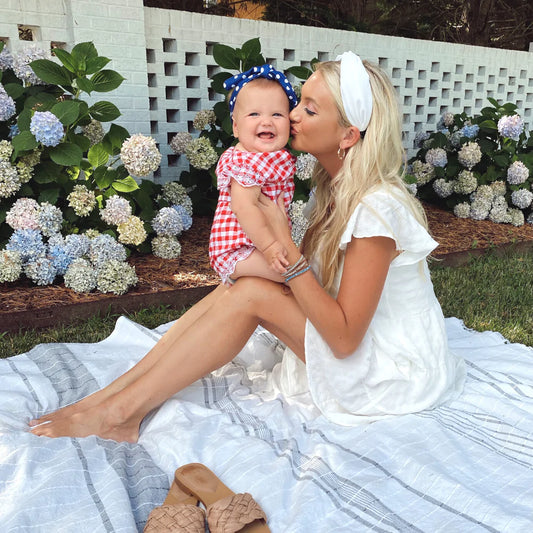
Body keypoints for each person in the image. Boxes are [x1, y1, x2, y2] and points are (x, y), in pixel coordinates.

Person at [29, 51, 465, 442]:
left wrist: (288, 255)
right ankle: (113, 399)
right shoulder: (333, 189)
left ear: (348, 135)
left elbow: (346, 338)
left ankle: (120, 413)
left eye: (308, 109)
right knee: (236, 285)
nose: (290, 115)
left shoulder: (376, 210)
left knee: (252, 291)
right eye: (298, 103)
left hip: (384, 371)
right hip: (350, 341)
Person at [209, 64, 297, 285]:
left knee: (288, 278)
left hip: (258, 244)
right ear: (236, 128)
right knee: (295, 275)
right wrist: (269, 246)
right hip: (237, 249)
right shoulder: (245, 162)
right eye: (254, 114)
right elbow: (244, 206)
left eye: (277, 114)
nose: (266, 121)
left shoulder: (272, 157)